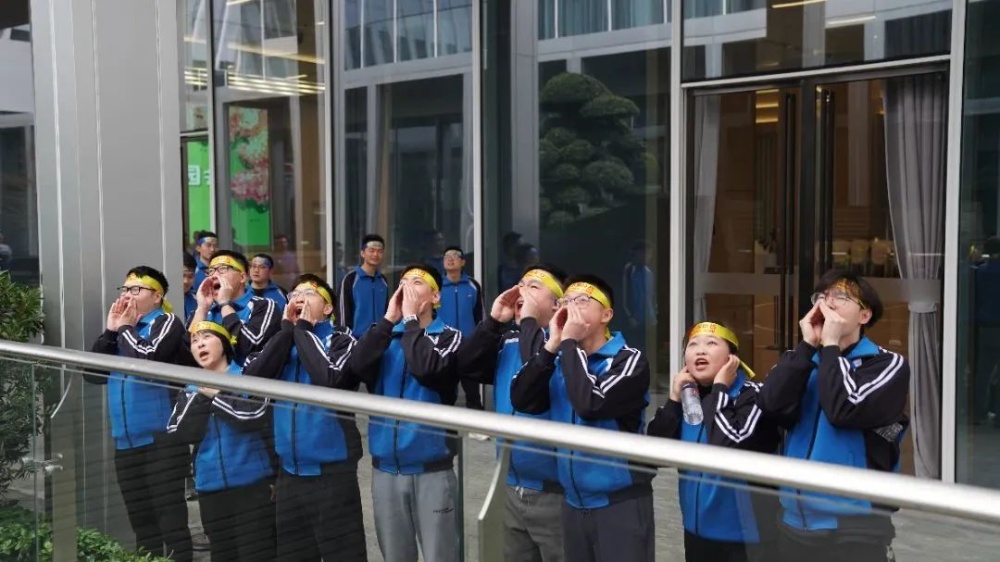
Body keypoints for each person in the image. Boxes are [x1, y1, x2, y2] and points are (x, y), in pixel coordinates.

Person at [757, 270, 910, 562]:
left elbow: (844, 410)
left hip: (854, 528)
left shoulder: (886, 364)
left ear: (864, 315)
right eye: (822, 297)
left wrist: (831, 347)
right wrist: (807, 346)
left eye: (841, 297)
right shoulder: (801, 360)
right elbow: (770, 405)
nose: (828, 303)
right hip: (792, 520)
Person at [510, 274, 654, 562]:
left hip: (619, 501)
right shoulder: (562, 357)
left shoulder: (628, 359)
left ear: (606, 315)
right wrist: (551, 346)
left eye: (583, 301)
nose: (571, 307)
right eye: (566, 301)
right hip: (572, 502)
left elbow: (591, 404)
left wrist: (569, 344)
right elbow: (523, 400)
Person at [243, 274, 368, 561]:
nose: (300, 298)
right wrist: (286, 331)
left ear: (328, 308)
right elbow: (251, 382)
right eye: (295, 294)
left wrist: (302, 330)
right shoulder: (283, 339)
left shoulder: (342, 339)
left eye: (309, 293)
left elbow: (330, 379)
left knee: (343, 554)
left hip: (332, 472)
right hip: (289, 472)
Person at [350, 264, 462, 562]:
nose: (407, 288)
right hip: (385, 469)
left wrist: (411, 321)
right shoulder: (384, 337)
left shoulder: (449, 337)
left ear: (435, 297)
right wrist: (389, 320)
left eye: (417, 282)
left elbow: (427, 370)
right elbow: (356, 367)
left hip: (432, 471)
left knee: (441, 555)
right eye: (402, 282)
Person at [456, 263, 568, 562]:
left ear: (557, 304)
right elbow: (465, 366)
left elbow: (537, 365)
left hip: (554, 491)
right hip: (508, 483)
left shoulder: (565, 345)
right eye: (521, 285)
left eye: (534, 287)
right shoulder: (508, 341)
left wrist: (529, 320)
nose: (522, 292)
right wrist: (493, 322)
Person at [647, 322, 781, 562]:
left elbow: (729, 443)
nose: (700, 350)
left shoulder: (754, 395)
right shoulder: (689, 399)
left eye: (711, 343)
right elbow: (653, 453)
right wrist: (674, 399)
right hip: (695, 531)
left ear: (732, 358)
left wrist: (720, 388)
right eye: (693, 345)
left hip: (744, 537)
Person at [84, 266, 193, 561]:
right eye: (125, 289)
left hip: (161, 440)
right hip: (125, 441)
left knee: (171, 520)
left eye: (136, 289)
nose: (128, 295)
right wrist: (110, 332)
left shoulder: (166, 322)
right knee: (141, 521)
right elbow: (91, 374)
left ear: (157, 296)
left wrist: (124, 329)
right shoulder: (123, 330)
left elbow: (148, 359)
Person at [167, 321, 276, 561]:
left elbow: (252, 417)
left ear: (224, 344)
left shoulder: (246, 377)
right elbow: (179, 432)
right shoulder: (191, 388)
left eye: (207, 337)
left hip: (252, 486)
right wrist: (202, 397)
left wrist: (217, 395)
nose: (200, 344)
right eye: (195, 341)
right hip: (210, 488)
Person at [191, 250, 281, 364]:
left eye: (222, 269)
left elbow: (250, 347)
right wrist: (201, 309)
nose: (214, 276)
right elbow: (185, 356)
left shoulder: (264, 306)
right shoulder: (203, 310)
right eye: (211, 271)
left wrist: (225, 304)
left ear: (242, 277)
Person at [437, 246, 486, 410]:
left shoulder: (473, 285)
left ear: (463, 262)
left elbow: (479, 316)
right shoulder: (436, 286)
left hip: (468, 346)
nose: (450, 259)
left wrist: (479, 342)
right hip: (444, 346)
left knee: (473, 394)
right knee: (446, 394)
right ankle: (445, 426)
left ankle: (477, 424)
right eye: (447, 256)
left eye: (455, 256)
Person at [339, 233, 389, 338]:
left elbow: (387, 311)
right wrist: (346, 339)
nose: (376, 255)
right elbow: (342, 313)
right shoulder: (350, 279)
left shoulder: (383, 281)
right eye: (371, 250)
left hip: (380, 339)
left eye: (380, 251)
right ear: (362, 253)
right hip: (356, 340)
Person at [621, 240, 657, 352]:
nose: (647, 257)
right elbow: (625, 294)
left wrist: (654, 314)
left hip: (648, 319)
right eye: (644, 254)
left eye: (649, 254)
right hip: (633, 318)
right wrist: (630, 316)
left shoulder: (648, 272)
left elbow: (651, 295)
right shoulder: (629, 270)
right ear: (637, 254)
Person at [182, 252, 197, 327]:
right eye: (182, 275)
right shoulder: (160, 300)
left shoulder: (198, 301)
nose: (186, 281)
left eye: (190, 276)